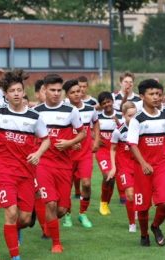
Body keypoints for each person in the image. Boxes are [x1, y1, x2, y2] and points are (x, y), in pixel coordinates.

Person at [0, 70, 50, 259]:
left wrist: (38, 153)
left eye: (19, 90)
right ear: (5, 94)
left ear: (23, 91)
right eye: (12, 90)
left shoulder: (34, 117)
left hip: (27, 173)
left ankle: (13, 229)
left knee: (25, 219)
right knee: (11, 213)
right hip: (5, 172)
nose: (16, 94)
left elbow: (46, 140)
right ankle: (15, 256)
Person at [127, 79, 165, 247]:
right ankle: (144, 235)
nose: (156, 97)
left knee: (164, 203)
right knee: (143, 208)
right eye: (152, 94)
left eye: (158, 94)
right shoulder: (137, 119)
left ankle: (156, 226)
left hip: (161, 166)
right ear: (142, 96)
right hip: (142, 168)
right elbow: (132, 144)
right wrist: (143, 163)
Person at [34, 74, 86, 253]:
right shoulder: (36, 112)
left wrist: (69, 143)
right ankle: (56, 243)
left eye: (58, 90)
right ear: (44, 90)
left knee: (62, 209)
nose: (56, 94)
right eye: (52, 90)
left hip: (64, 165)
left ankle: (47, 221)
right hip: (44, 164)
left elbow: (82, 133)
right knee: (51, 203)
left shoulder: (71, 111)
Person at [61, 79, 99, 228]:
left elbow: (96, 122)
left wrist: (96, 140)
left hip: (85, 154)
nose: (77, 94)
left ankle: (83, 214)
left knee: (87, 183)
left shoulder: (90, 108)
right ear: (67, 95)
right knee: (67, 187)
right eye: (73, 92)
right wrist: (70, 142)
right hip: (67, 155)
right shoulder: (63, 109)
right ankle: (68, 215)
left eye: (79, 91)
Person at [107, 101, 137, 232]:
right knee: (130, 195)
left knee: (141, 196)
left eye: (135, 115)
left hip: (139, 166)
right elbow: (113, 149)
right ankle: (132, 224)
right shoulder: (118, 132)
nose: (133, 118)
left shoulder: (141, 129)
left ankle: (138, 211)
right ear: (123, 115)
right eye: (130, 115)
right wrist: (113, 167)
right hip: (124, 167)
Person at [96, 91, 122, 215]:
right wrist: (96, 138)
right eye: (103, 103)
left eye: (108, 101)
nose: (107, 104)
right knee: (107, 175)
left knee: (112, 179)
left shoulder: (121, 115)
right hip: (103, 150)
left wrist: (118, 122)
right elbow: (88, 130)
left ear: (112, 101)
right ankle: (103, 203)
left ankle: (106, 202)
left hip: (118, 151)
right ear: (101, 105)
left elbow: (127, 130)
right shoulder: (97, 117)